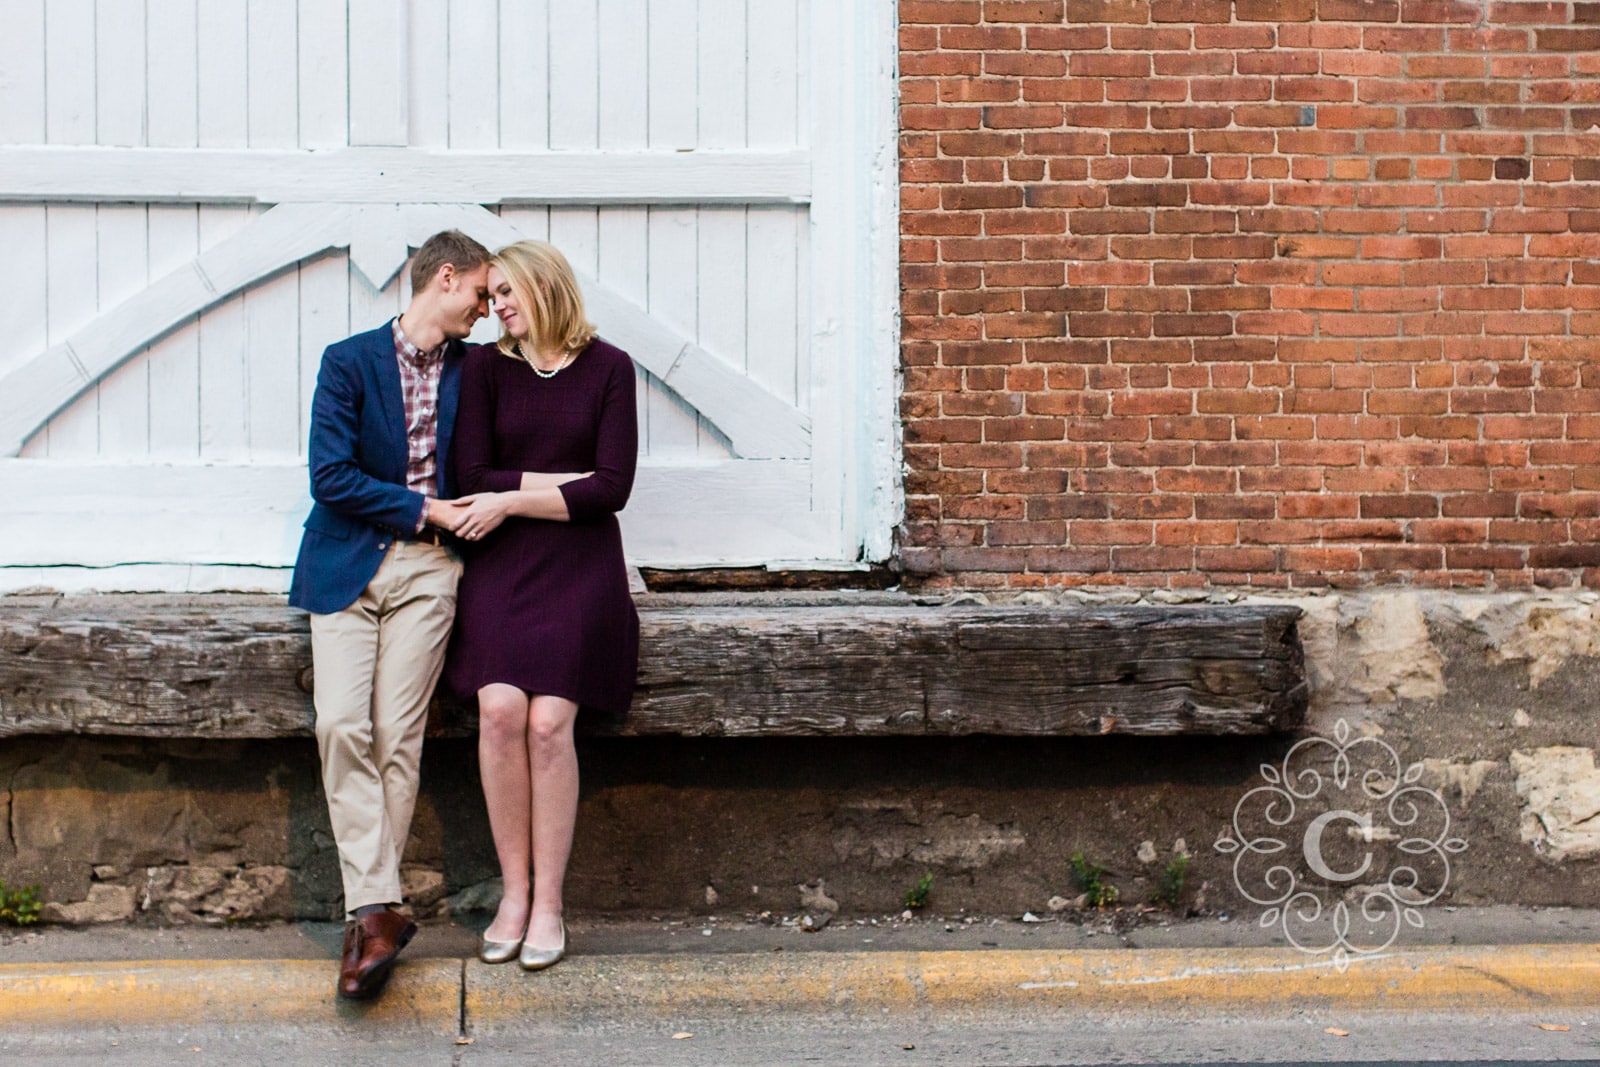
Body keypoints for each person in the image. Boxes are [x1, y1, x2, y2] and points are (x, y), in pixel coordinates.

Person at [288, 229, 492, 999]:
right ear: (445, 277)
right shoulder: (348, 362)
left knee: (396, 737)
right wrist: (423, 505)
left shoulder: (481, 372)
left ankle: (368, 915)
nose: (485, 309)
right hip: (346, 560)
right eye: (479, 292)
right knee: (340, 724)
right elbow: (330, 476)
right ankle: (378, 908)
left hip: (431, 569)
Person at [444, 239, 640, 971]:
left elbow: (613, 488)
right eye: (491, 295)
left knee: (551, 722)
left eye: (505, 292)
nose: (496, 306)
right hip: (505, 564)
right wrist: (561, 485)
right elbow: (470, 472)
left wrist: (514, 497)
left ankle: (551, 902)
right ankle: (514, 894)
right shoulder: (486, 369)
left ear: (542, 286)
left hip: (581, 565)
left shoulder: (610, 368)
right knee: (499, 710)